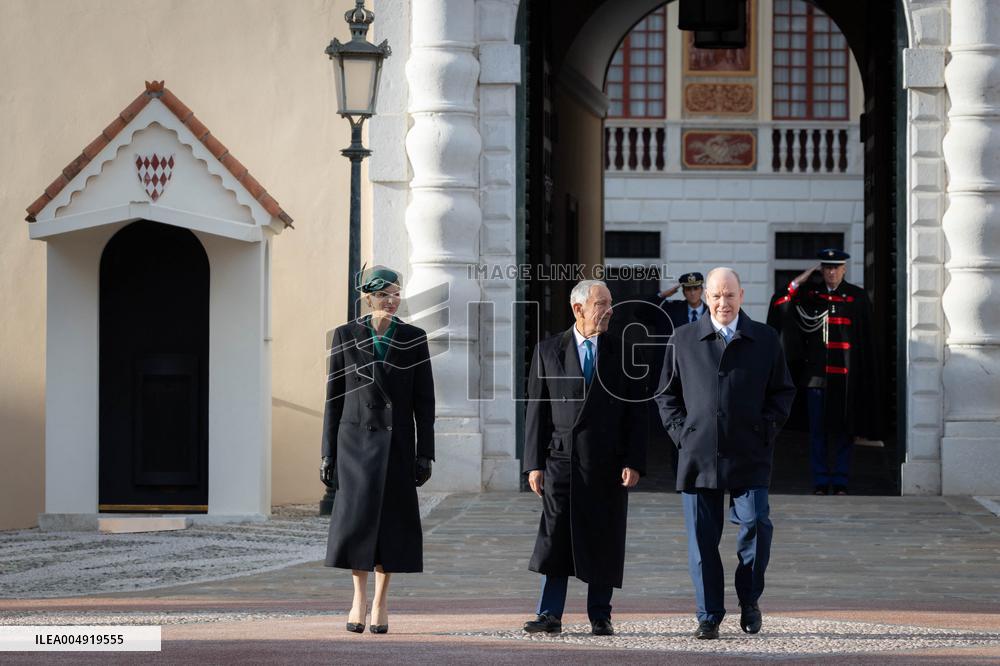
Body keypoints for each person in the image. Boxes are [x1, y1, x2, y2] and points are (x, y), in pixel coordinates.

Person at [655, 267, 795, 639]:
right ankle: (708, 614)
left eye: (729, 295)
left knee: (756, 526)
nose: (722, 303)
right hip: (698, 454)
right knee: (702, 540)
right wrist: (682, 434)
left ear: (742, 296)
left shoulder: (765, 339)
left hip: (750, 452)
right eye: (716, 295)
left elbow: (783, 393)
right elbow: (665, 395)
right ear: (706, 296)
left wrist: (765, 429)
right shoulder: (682, 339)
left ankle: (749, 600)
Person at [522, 280, 647, 637]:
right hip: (561, 461)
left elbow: (637, 412)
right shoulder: (548, 350)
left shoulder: (623, 351)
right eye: (601, 304)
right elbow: (536, 410)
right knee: (555, 538)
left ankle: (600, 614)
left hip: (607, 463)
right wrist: (533, 463)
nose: (609, 310)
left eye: (610, 303)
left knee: (603, 538)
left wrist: (634, 460)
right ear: (578, 309)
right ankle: (549, 614)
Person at [320, 265, 435, 635]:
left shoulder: (415, 338)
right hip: (354, 445)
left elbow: (425, 403)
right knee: (357, 523)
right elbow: (333, 399)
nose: (392, 300)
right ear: (368, 297)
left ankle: (382, 601)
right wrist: (328, 453)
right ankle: (357, 598)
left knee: (393, 525)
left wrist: (425, 453)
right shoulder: (344, 336)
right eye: (384, 294)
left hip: (397, 445)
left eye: (397, 293)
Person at [771, 249, 880, 495]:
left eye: (835, 268)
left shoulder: (857, 297)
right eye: (826, 268)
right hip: (817, 378)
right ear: (821, 270)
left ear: (843, 269)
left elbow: (867, 341)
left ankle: (840, 479)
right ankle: (821, 480)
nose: (831, 272)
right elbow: (781, 303)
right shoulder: (811, 295)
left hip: (846, 378)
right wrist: (800, 280)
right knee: (817, 433)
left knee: (844, 431)